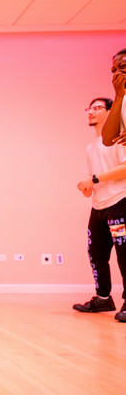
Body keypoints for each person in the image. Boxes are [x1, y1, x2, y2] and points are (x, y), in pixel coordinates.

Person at [74, 98, 126, 322]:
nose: (91, 112)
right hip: (98, 207)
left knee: (125, 255)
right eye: (89, 108)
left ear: (110, 112)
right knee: (95, 253)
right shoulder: (90, 147)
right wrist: (88, 187)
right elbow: (93, 180)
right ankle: (103, 297)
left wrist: (94, 179)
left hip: (120, 202)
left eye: (97, 108)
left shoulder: (119, 140)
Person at [101, 48, 126, 148]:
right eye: (114, 71)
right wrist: (119, 96)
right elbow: (108, 140)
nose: (117, 73)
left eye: (123, 67)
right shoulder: (123, 99)